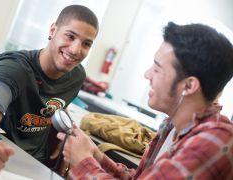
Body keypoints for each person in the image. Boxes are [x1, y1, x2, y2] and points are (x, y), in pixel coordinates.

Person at [57, 22, 233, 179]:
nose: (147, 75)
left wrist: (82, 162)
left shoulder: (212, 142)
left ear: (188, 86)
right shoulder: (172, 127)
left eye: (157, 69)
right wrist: (96, 156)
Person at [0, 5, 99, 175]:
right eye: (70, 36)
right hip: (0, 157)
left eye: (86, 44)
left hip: (38, 166)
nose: (75, 50)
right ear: (53, 30)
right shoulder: (15, 67)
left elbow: (57, 101)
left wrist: (68, 130)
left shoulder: (77, 76)